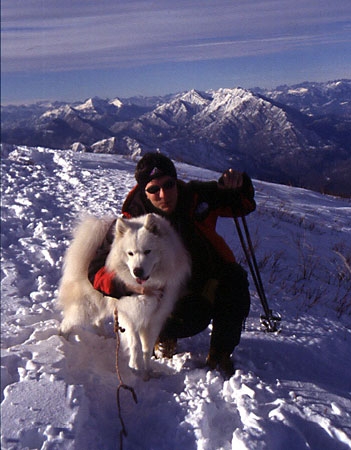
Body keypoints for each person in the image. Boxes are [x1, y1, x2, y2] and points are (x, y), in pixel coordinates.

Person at [90, 152, 256, 376]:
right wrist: (127, 287)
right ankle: (163, 335)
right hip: (162, 294)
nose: (163, 194)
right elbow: (97, 271)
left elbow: (243, 204)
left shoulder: (196, 197)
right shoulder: (132, 219)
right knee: (185, 321)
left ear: (176, 181)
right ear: (143, 191)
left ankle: (220, 354)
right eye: (153, 189)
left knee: (235, 278)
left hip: (201, 277)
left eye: (169, 185)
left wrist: (239, 183)